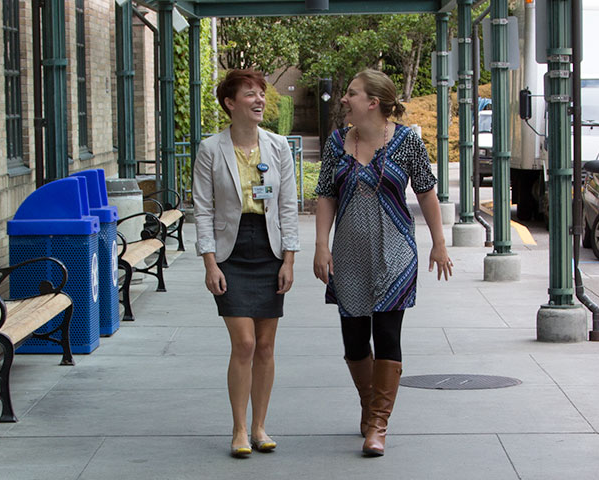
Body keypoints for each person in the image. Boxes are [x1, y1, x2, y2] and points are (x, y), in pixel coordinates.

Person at [312, 69, 453, 458]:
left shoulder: (407, 141)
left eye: (352, 94)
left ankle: (378, 424)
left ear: (373, 103)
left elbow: (426, 193)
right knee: (355, 340)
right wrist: (321, 245)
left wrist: (438, 244)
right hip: (349, 255)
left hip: (395, 253)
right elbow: (326, 194)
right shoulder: (338, 142)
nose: (345, 99)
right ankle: (368, 402)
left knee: (387, 334)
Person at [192, 69, 299, 459]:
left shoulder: (278, 147)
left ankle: (259, 427)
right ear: (230, 103)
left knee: (267, 346)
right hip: (230, 252)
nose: (259, 101)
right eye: (250, 95)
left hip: (268, 248)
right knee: (245, 343)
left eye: (262, 95)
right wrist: (209, 263)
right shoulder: (210, 149)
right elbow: (202, 209)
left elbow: (288, 206)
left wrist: (289, 259)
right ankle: (238, 428)